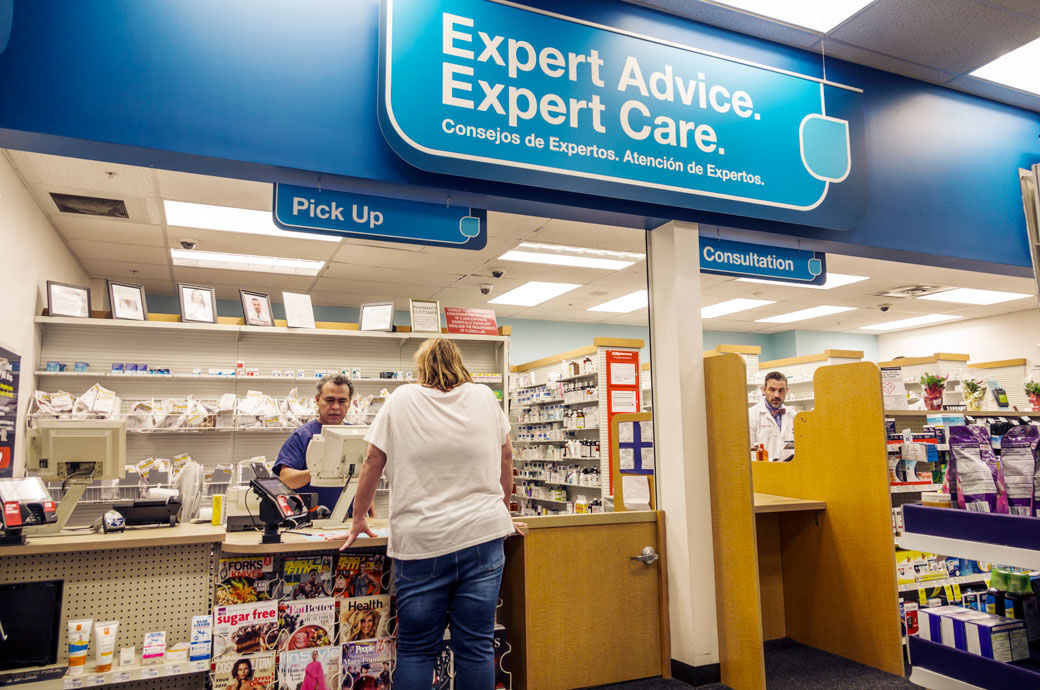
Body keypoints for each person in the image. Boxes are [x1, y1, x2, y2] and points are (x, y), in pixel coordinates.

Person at [341, 338, 522, 690]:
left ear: (421, 366)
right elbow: (506, 457)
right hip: (483, 538)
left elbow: (373, 460)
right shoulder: (486, 397)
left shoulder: (401, 399)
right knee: (475, 647)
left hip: (421, 542)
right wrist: (501, 512)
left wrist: (359, 516)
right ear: (460, 362)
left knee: (417, 650)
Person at [273, 375, 359, 512]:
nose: (336, 407)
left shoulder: (356, 435)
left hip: (348, 519)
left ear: (349, 402)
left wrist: (370, 509)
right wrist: (319, 471)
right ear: (317, 400)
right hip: (310, 521)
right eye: (329, 400)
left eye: (342, 401)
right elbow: (285, 478)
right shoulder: (302, 436)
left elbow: (361, 477)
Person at [748, 371, 795, 461]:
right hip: (763, 471)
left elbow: (795, 447)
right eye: (772, 390)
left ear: (787, 390)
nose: (776, 395)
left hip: (789, 471)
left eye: (781, 390)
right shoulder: (751, 415)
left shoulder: (793, 416)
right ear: (764, 390)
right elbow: (749, 451)